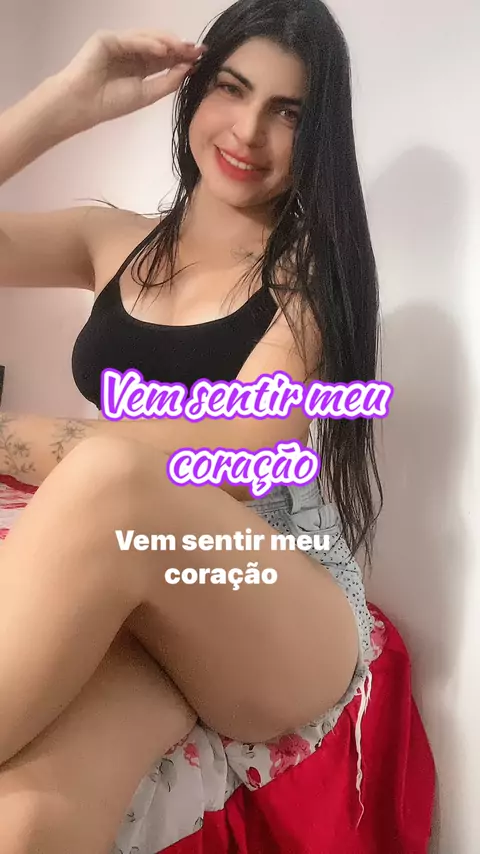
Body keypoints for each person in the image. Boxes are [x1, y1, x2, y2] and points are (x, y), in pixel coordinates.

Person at [0, 0, 383, 850]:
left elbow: (238, 453)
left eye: (289, 112)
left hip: (268, 591)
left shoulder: (311, 277)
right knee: (25, 816)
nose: (249, 131)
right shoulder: (112, 240)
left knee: (109, 478)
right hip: (143, 580)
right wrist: (65, 101)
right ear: (194, 91)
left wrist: (16, 433)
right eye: (232, 89)